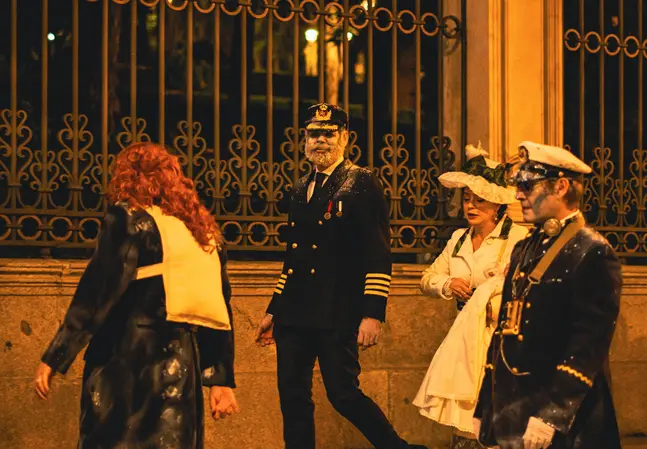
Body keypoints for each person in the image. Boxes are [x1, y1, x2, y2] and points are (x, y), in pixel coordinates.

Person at [34, 142, 240, 449]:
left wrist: (55, 356)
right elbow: (218, 308)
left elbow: (98, 291)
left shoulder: (129, 218)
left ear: (128, 177)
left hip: (128, 361)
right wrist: (219, 378)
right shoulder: (202, 233)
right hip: (182, 368)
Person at [254, 103, 426, 449]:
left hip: (336, 313)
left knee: (343, 393)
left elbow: (377, 253)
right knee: (292, 396)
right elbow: (293, 259)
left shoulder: (361, 182)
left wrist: (372, 313)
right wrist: (274, 309)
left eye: (328, 133)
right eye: (313, 134)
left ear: (345, 137)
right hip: (294, 315)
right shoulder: (300, 187)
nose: (320, 141)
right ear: (304, 139)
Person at [473, 141, 623, 449]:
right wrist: (484, 408)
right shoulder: (524, 247)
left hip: (568, 422)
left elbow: (588, 345)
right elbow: (504, 332)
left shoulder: (591, 250)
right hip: (517, 409)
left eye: (528, 186)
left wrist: (552, 415)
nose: (518, 195)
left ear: (561, 187)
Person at [413, 143, 528, 449]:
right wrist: (448, 284)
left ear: (497, 204)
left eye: (479, 200)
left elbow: (529, 288)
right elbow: (426, 279)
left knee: (499, 412)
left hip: (501, 339)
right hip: (464, 338)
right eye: (466, 199)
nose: (470, 206)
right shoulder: (458, 239)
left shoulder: (518, 238)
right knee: (466, 414)